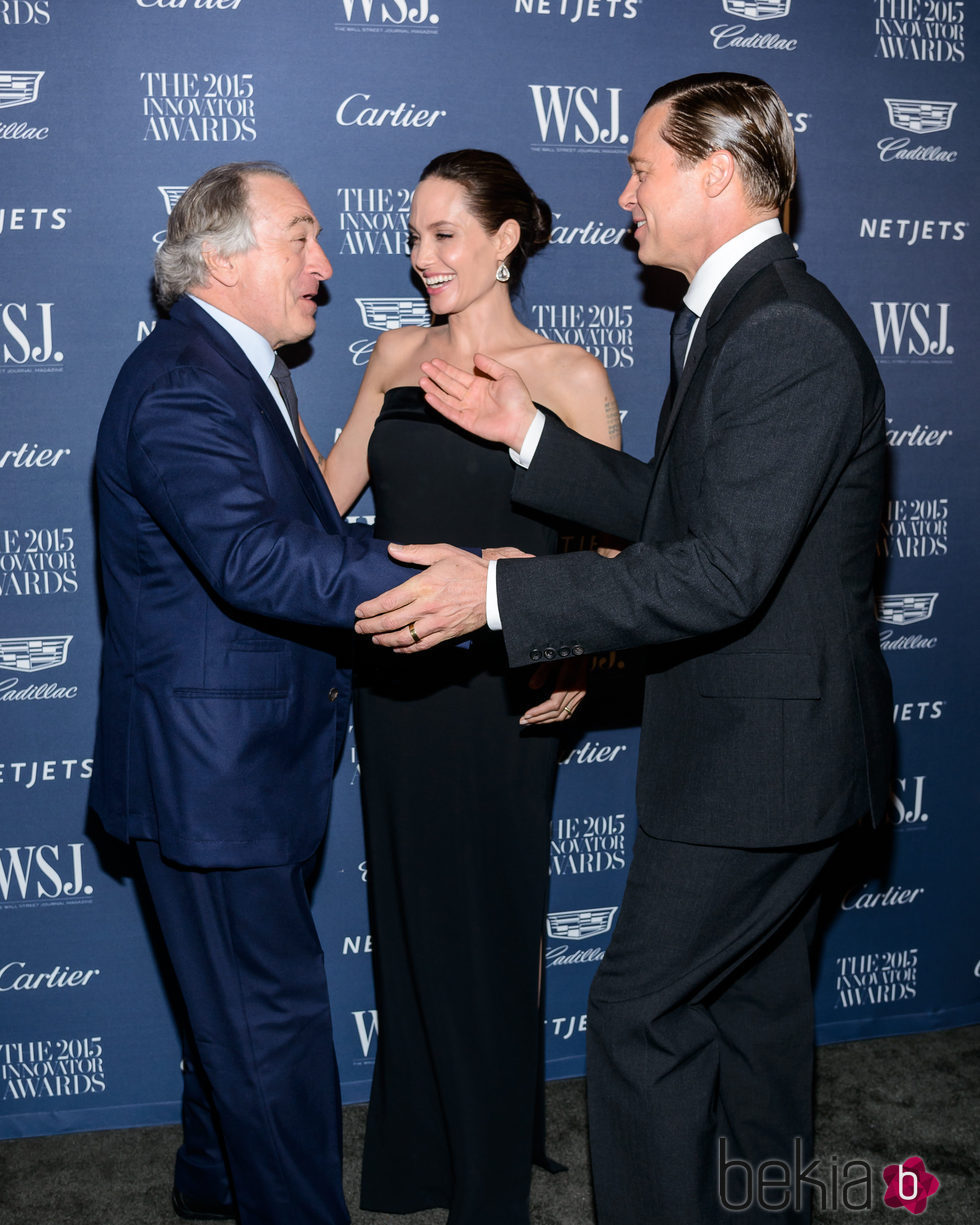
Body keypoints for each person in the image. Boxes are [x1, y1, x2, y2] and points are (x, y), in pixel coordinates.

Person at [353, 75, 894, 1224]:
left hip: (759, 764)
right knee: (751, 1025)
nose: (622, 195)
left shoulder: (781, 330)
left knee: (639, 1020)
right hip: (763, 752)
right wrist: (532, 441)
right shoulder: (740, 315)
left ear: (715, 173)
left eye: (642, 169)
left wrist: (500, 593)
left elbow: (718, 572)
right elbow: (687, 510)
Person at [303, 148, 620, 1225]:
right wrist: (249, 400)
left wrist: (579, 658)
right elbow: (327, 493)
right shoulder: (393, 354)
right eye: (412, 235)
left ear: (503, 240)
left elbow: (618, 562)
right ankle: (416, 1156)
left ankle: (487, 1181)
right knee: (407, 923)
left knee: (491, 930)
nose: (421, 255)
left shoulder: (568, 376)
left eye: (444, 234)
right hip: (393, 692)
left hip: (503, 695)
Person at [90, 161, 409, 1225]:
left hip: (243, 770)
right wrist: (450, 581)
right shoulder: (186, 381)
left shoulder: (236, 369)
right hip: (211, 782)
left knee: (232, 1005)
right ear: (222, 259)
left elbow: (297, 535)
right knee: (268, 1027)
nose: (324, 265)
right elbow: (256, 560)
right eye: (301, 239)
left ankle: (211, 1182)